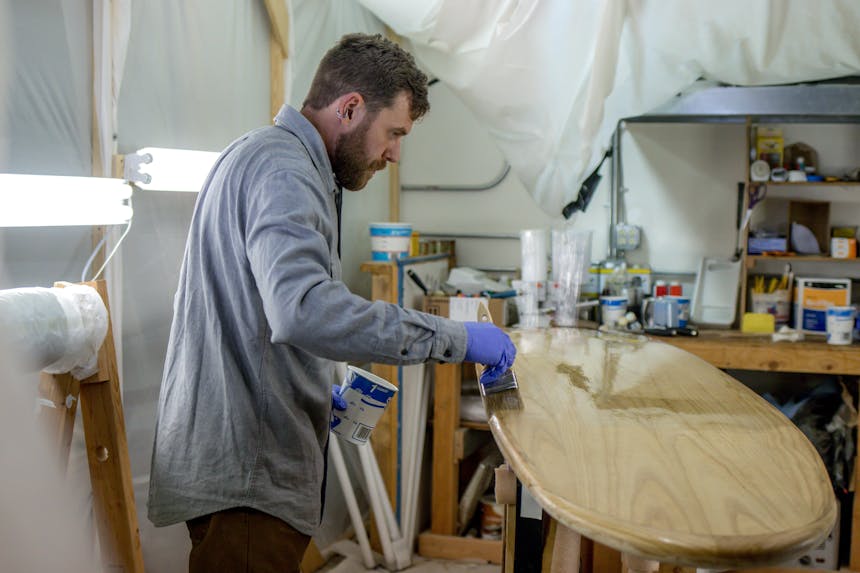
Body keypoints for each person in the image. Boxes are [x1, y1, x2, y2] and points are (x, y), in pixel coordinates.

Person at [147, 33, 516, 573]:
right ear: (349, 109)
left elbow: (262, 312)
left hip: (245, 461)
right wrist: (456, 339)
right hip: (249, 475)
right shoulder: (285, 170)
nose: (394, 152)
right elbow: (303, 309)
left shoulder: (268, 157)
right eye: (394, 133)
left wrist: (316, 387)